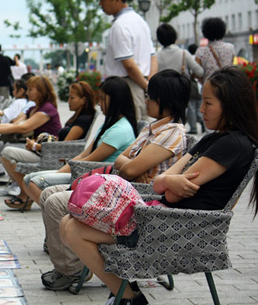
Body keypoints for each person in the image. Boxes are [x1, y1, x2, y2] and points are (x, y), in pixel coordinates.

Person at [60, 66, 258, 305]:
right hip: (161, 217)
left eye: (208, 103)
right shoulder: (212, 139)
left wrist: (167, 182)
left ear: (231, 104)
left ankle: (129, 297)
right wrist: (167, 181)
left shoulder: (232, 145)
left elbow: (173, 193)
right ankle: (126, 294)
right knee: (68, 222)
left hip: (176, 229)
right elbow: (162, 183)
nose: (201, 109)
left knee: (72, 229)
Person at [38, 70, 190, 291]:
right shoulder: (151, 129)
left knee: (55, 203)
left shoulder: (172, 133)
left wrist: (128, 163)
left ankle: (70, 270)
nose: (146, 100)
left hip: (134, 201)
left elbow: (129, 169)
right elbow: (123, 161)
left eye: (150, 96)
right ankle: (74, 264)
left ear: (165, 99)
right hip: (118, 191)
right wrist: (127, 163)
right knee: (48, 193)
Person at [20, 76, 138, 209]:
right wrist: (59, 172)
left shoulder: (120, 129)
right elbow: (84, 155)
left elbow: (90, 160)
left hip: (99, 178)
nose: (99, 103)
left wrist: (59, 172)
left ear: (116, 100)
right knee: (29, 179)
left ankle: (59, 217)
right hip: (87, 171)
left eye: (103, 99)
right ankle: (57, 217)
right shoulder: (109, 124)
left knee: (34, 182)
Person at [0, 76, 62, 209]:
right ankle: (24, 191)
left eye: (31, 89)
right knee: (4, 152)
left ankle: (25, 194)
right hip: (36, 150)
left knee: (7, 152)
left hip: (47, 154)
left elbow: (24, 127)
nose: (27, 92)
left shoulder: (47, 109)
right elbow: (15, 123)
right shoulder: (34, 108)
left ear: (41, 91)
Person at [98, 0, 157, 120]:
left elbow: (129, 66)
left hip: (128, 87)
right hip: (142, 83)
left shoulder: (119, 26)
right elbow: (153, 57)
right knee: (142, 129)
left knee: (129, 133)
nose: (100, 4)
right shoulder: (140, 21)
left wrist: (146, 87)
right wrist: (150, 85)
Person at [195, 17, 236, 83]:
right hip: (226, 86)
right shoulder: (230, 48)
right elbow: (231, 65)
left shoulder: (201, 51)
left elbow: (197, 73)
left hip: (209, 86)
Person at [186, 44, 206, 135]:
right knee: (199, 106)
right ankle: (202, 120)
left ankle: (193, 127)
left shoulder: (190, 58)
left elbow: (194, 72)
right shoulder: (200, 58)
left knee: (191, 107)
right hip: (201, 86)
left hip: (192, 86)